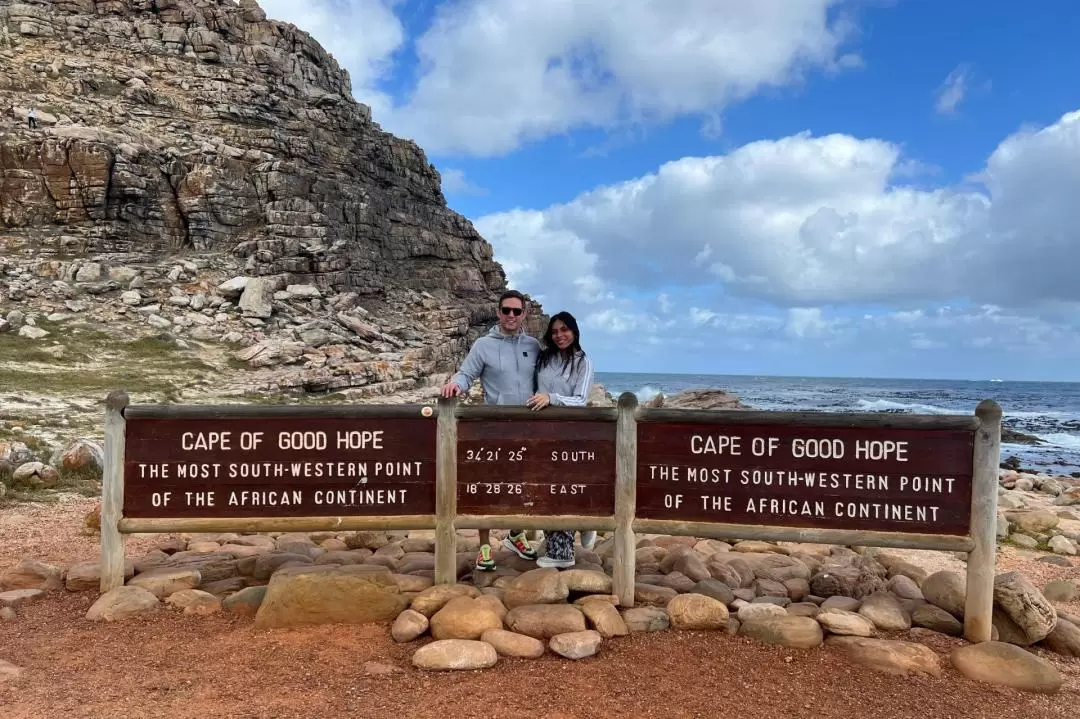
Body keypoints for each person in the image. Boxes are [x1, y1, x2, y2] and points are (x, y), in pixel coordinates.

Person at [441, 289, 541, 571]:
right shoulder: (483, 345)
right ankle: (484, 546)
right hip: (494, 429)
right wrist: (455, 386)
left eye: (516, 311)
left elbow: (547, 378)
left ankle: (516, 534)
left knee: (522, 485)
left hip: (528, 430)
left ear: (524, 314)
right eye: (506, 310)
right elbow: (466, 374)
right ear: (498, 313)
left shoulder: (533, 345)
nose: (511, 315)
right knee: (488, 487)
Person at [527, 312, 596, 569]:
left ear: (574, 331)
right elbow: (534, 390)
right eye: (555, 331)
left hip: (569, 435)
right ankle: (580, 526)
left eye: (564, 330)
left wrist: (552, 398)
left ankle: (563, 553)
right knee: (544, 486)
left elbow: (581, 399)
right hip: (543, 433)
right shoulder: (545, 358)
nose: (560, 335)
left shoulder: (583, 362)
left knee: (562, 489)